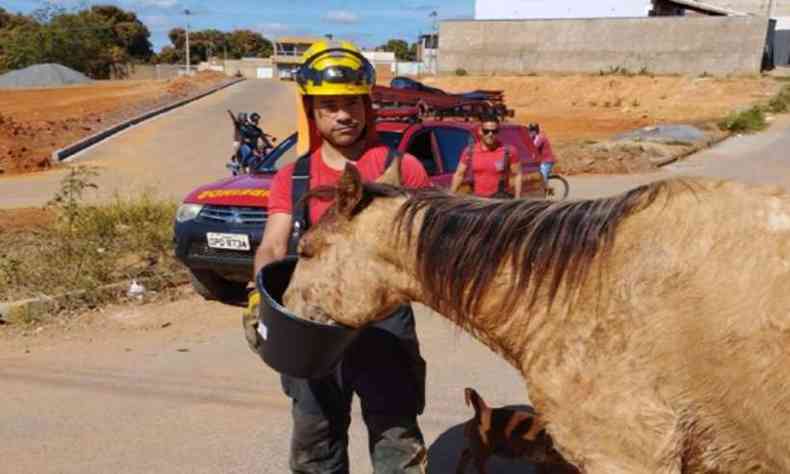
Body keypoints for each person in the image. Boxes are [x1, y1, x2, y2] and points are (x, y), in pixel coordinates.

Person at [247, 40, 431, 474]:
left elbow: (426, 247)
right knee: (316, 438)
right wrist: (261, 301)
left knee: (396, 437)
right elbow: (273, 246)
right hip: (313, 327)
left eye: (351, 103)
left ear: (367, 106)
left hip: (385, 324)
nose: (343, 114)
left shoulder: (404, 170)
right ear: (312, 112)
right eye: (329, 106)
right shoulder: (294, 177)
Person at [450, 114, 522, 199]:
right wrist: (450, 196)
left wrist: (517, 199)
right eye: (486, 131)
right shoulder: (470, 152)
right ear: (480, 131)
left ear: (498, 131)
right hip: (479, 203)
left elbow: (517, 174)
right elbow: (459, 175)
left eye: (494, 131)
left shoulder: (509, 151)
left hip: (500, 202)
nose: (490, 134)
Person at [528, 122, 556, 192]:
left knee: (543, 177)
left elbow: (533, 147)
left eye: (530, 131)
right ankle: (545, 189)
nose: (529, 133)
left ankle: (545, 191)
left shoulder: (540, 137)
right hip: (542, 161)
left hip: (547, 161)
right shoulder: (536, 137)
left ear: (534, 131)